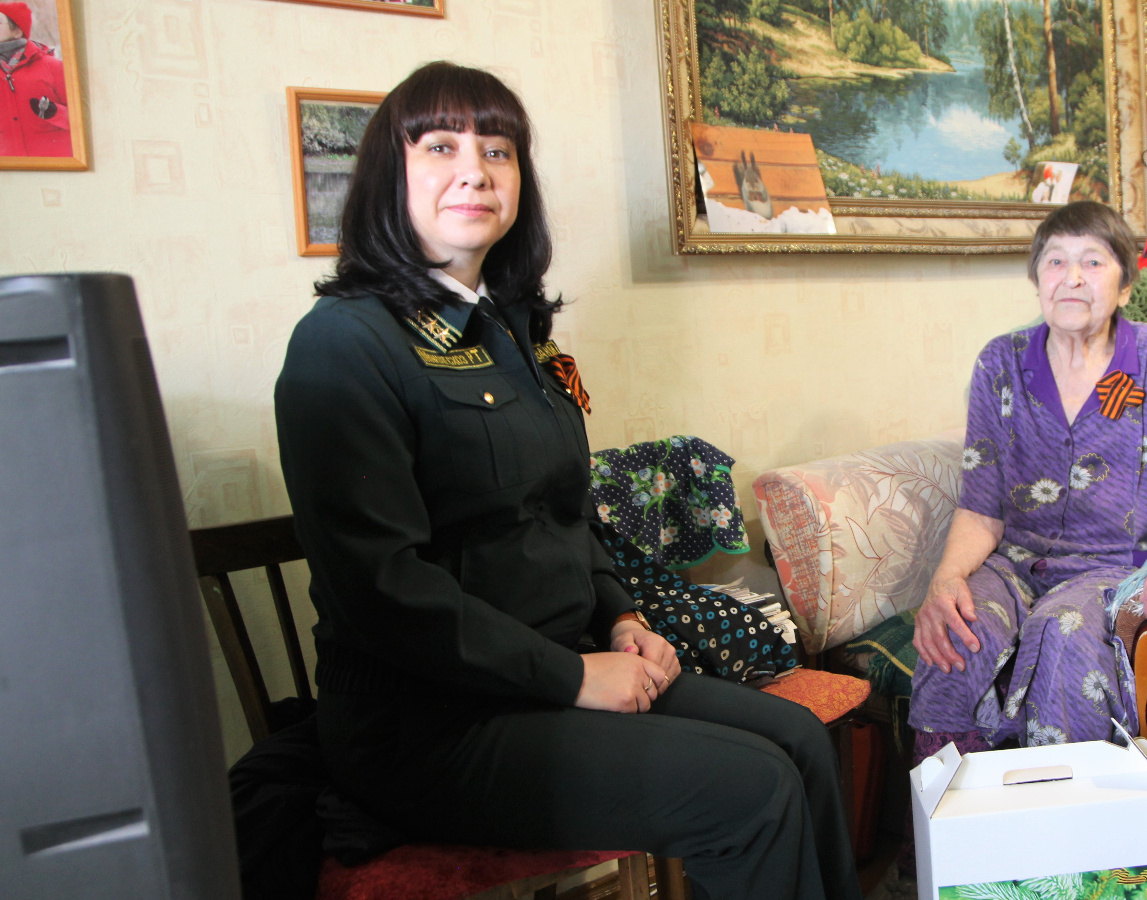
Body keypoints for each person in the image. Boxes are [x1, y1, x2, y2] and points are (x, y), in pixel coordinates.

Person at [274, 61, 860, 900]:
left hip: (555, 671)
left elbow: (567, 513)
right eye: (440, 147)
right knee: (753, 789)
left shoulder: (517, 332)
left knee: (798, 741)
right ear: (385, 175)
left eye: (498, 150)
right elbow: (381, 592)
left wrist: (621, 617)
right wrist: (574, 678)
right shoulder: (345, 343)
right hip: (431, 722)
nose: (476, 170)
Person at [909, 201, 1147, 758]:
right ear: (1037, 280)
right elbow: (981, 509)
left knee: (1063, 631)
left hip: (1111, 569)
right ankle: (950, 805)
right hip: (1015, 563)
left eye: (1093, 262)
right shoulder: (1000, 364)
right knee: (956, 628)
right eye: (1055, 261)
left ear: (1125, 287)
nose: (1072, 277)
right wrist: (946, 577)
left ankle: (1067, 809)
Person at [0, 2, 71, 158]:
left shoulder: (53, 67)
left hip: (54, 163)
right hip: (9, 166)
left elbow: (85, 119)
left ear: (17, 31)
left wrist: (54, 112)